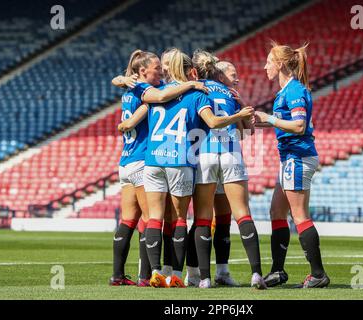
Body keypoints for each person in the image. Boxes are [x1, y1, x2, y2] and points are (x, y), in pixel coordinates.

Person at [138, 48, 254, 288]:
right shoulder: (198, 93)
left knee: (161, 218)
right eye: (231, 73)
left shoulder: (156, 91)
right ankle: (182, 275)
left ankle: (158, 272)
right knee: (185, 218)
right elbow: (226, 125)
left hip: (157, 159)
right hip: (186, 159)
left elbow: (150, 101)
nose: (164, 68)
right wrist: (241, 113)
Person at [111, 49, 207, 286]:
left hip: (126, 160)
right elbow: (160, 98)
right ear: (142, 71)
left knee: (129, 220)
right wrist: (191, 84)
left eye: (164, 66)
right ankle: (150, 275)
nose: (162, 71)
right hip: (147, 158)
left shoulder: (132, 88)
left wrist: (123, 79)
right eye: (157, 67)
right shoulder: (149, 91)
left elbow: (126, 89)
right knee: (157, 218)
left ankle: (118, 275)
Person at [254, 41, 330, 288]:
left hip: (297, 158)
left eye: (268, 61)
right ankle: (278, 271)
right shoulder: (286, 91)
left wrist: (270, 119)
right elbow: (287, 123)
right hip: (290, 158)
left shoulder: (294, 90)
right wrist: (257, 121)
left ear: (280, 64)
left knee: (299, 216)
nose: (265, 66)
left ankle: (318, 274)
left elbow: (298, 126)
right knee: (276, 212)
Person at [190, 49, 266, 289]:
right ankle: (255, 274)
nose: (237, 77)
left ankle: (204, 278)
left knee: (203, 217)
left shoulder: (193, 88)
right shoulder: (228, 94)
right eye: (232, 73)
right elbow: (246, 131)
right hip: (231, 153)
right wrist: (241, 108)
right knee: (240, 214)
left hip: (206, 154)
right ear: (219, 74)